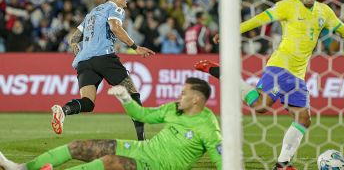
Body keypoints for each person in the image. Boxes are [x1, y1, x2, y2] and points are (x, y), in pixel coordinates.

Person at [195, 0, 344, 170]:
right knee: (260, 107)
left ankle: (282, 165)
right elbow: (259, 19)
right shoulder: (287, 6)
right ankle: (220, 72)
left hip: (298, 74)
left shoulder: (324, 11)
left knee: (303, 119)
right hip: (280, 66)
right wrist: (230, 31)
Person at [0, 78, 222, 170]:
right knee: (79, 146)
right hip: (142, 150)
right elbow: (143, 115)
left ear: (196, 100)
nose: (179, 96)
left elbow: (223, 162)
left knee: (109, 162)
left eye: (183, 94)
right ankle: (21, 168)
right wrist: (125, 98)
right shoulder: (174, 108)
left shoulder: (208, 127)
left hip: (156, 167)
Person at [51, 0, 155, 141]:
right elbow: (115, 27)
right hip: (104, 57)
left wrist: (80, 51)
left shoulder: (91, 13)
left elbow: (74, 39)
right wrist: (135, 47)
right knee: (133, 95)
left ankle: (64, 110)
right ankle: (142, 140)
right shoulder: (115, 8)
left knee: (88, 103)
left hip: (84, 62)